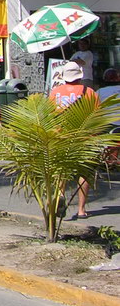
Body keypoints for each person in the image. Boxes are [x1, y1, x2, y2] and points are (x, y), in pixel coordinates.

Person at [48, 60, 97, 220]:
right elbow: (95, 117)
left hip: (61, 135)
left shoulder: (55, 92)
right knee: (84, 172)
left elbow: (49, 114)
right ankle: (81, 210)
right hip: (83, 136)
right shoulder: (89, 92)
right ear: (80, 76)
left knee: (61, 169)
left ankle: (61, 194)